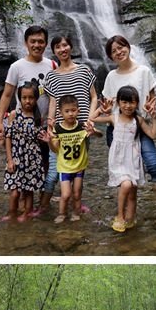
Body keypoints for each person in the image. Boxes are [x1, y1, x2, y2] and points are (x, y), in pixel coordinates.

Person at [102, 35, 156, 229]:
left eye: (121, 47)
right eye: (113, 51)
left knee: (154, 165)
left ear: (128, 47)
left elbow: (152, 102)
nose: (118, 52)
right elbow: (107, 105)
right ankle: (129, 215)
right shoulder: (111, 77)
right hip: (118, 130)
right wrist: (103, 112)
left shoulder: (144, 71)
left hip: (140, 125)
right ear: (111, 57)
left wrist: (152, 114)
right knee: (128, 173)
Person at [37, 34, 99, 216]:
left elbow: (94, 97)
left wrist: (90, 119)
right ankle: (43, 206)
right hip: (59, 129)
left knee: (78, 165)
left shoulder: (84, 70)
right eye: (58, 47)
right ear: (54, 51)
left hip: (81, 129)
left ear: (70, 47)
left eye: (65, 45)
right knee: (54, 170)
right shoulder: (52, 76)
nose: (62, 49)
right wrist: (50, 122)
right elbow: (53, 102)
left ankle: (75, 204)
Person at [92, 86, 156, 232]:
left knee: (133, 192)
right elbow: (92, 118)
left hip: (133, 161)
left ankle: (130, 220)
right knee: (126, 185)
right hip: (118, 161)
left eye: (132, 102)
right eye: (124, 102)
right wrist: (102, 109)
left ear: (137, 104)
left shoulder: (138, 120)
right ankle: (120, 216)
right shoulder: (113, 118)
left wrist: (154, 118)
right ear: (119, 103)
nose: (128, 106)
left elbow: (153, 135)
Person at [2, 83, 46, 222]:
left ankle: (26, 213)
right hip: (16, 157)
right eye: (24, 97)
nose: (27, 101)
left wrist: (46, 140)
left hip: (32, 159)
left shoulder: (38, 118)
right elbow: (8, 137)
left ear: (36, 99)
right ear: (19, 98)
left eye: (31, 98)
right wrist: (9, 159)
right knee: (14, 192)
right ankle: (11, 213)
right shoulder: (14, 115)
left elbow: (40, 140)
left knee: (28, 190)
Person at [49, 95, 91, 223]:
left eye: (73, 110)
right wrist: (50, 140)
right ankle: (62, 213)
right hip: (65, 167)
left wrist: (93, 131)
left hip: (79, 166)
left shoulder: (82, 126)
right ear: (61, 113)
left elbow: (98, 134)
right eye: (67, 111)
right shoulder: (58, 129)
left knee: (77, 193)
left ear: (78, 110)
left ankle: (76, 212)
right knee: (66, 194)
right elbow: (55, 149)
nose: (70, 114)